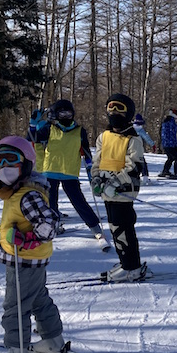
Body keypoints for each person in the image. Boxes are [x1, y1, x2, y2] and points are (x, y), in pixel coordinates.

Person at [0, 136, 68, 353]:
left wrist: (27, 240)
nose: (4, 167)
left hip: (23, 260)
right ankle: (53, 341)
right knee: (38, 299)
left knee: (15, 306)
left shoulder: (27, 194)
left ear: (26, 164)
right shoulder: (18, 190)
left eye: (11, 160)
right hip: (30, 260)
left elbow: (50, 224)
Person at [91, 93, 146, 282]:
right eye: (110, 108)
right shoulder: (103, 137)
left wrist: (114, 183)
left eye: (119, 109)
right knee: (115, 229)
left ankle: (132, 267)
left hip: (123, 192)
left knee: (123, 229)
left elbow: (134, 167)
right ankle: (126, 262)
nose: (114, 112)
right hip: (107, 192)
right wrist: (96, 180)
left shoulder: (133, 139)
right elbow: (97, 162)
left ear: (128, 113)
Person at [40, 99, 107, 249]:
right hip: (50, 170)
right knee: (51, 201)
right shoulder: (49, 128)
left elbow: (87, 154)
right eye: (61, 113)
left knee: (78, 201)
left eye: (68, 113)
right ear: (55, 114)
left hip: (70, 172)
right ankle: (54, 225)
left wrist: (92, 173)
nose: (65, 116)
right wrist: (34, 126)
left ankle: (94, 226)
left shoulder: (79, 130)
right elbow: (32, 141)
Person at [159, 108, 177, 179]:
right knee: (176, 158)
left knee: (170, 158)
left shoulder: (166, 121)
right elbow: (172, 135)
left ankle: (165, 171)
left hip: (165, 143)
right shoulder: (172, 122)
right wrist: (176, 145)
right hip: (171, 144)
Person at [132, 113, 156, 183]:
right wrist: (153, 145)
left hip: (129, 149)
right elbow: (146, 138)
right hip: (138, 149)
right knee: (142, 163)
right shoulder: (140, 130)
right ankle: (145, 177)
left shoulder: (130, 128)